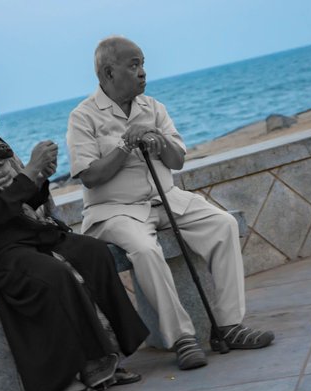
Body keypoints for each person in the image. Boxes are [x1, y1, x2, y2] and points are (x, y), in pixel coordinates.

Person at [66, 37, 274, 371]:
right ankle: (182, 339)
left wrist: (158, 140)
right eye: (133, 65)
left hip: (167, 200)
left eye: (142, 63)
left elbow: (177, 161)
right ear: (108, 72)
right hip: (116, 211)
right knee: (146, 251)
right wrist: (124, 144)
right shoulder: (83, 117)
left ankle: (229, 326)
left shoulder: (154, 107)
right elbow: (89, 176)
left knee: (224, 225)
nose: (143, 72)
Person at [0, 82, 148, 391]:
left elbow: (22, 203)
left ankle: (109, 356)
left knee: (94, 253)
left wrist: (39, 177)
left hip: (21, 234)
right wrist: (29, 172)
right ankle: (74, 371)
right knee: (53, 275)